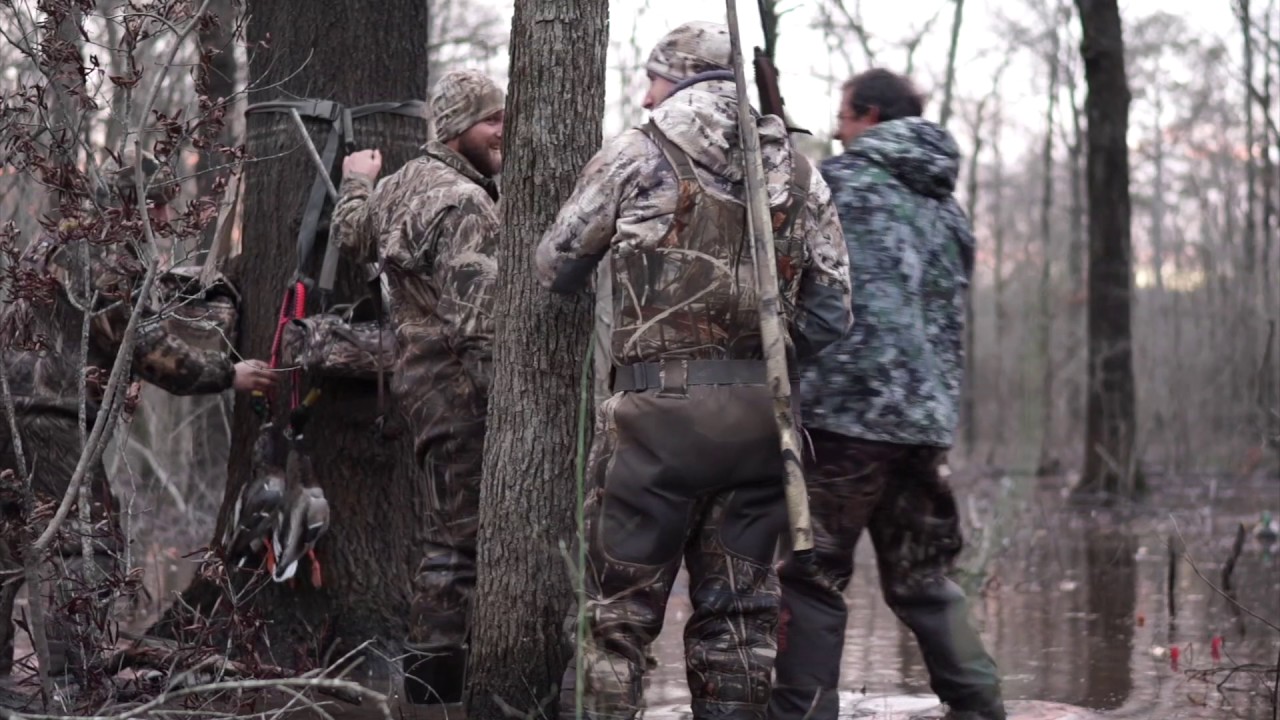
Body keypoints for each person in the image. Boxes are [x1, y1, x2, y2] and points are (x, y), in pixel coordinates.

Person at [535, 21, 852, 720]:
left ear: (673, 78)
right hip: (759, 426)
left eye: (651, 79)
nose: (646, 95)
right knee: (740, 624)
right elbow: (833, 316)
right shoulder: (799, 169)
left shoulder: (635, 152)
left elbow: (553, 264)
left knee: (613, 620)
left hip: (654, 426)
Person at [767, 68, 1006, 720]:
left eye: (843, 116)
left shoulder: (834, 184)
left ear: (868, 115)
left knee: (813, 578)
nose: (837, 130)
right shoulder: (948, 210)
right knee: (924, 578)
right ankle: (982, 708)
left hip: (843, 420)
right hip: (925, 424)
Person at [0, 151, 275, 677]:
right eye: (156, 207)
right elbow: (137, 340)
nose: (166, 220)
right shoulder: (98, 252)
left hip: (17, 408)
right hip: (47, 413)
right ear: (130, 205)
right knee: (85, 546)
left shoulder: (64, 238)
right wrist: (226, 374)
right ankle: (72, 684)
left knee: (11, 540)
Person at [330, 68, 504, 703]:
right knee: (456, 546)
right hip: (460, 391)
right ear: (458, 129)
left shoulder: (400, 186)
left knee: (448, 536)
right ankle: (431, 697)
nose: (502, 130)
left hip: (420, 387)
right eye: (493, 120)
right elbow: (477, 327)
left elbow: (351, 235)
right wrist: (511, 417)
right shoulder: (467, 206)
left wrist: (355, 184)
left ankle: (435, 692)